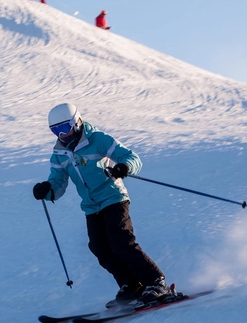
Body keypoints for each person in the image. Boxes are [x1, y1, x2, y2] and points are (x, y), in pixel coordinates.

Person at [33, 103, 171, 305]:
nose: (62, 135)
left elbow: (132, 158)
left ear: (77, 122)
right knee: (99, 247)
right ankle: (131, 285)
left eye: (65, 128)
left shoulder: (98, 139)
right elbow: (58, 183)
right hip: (91, 206)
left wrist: (124, 167)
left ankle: (156, 282)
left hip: (113, 197)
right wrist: (47, 190)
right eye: (56, 131)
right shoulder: (59, 154)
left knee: (121, 242)